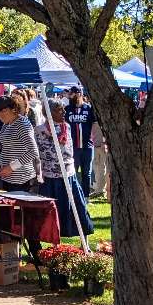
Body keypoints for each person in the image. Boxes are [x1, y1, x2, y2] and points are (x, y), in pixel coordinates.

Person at [36, 101, 93, 238]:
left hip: (68, 175)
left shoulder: (66, 127)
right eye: (60, 110)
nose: (64, 112)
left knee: (78, 208)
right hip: (50, 177)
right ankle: (54, 243)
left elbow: (68, 150)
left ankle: (83, 240)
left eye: (63, 109)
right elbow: (36, 152)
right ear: (49, 112)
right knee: (53, 211)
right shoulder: (39, 130)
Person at [0, 93, 39, 191]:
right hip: (9, 179)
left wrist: (11, 167)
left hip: (22, 181)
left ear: (11, 110)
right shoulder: (7, 125)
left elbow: (33, 152)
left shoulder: (22, 125)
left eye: (0, 113)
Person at [65, 86, 97, 191]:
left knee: (86, 172)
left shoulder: (88, 109)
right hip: (73, 147)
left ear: (79, 94)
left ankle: (86, 196)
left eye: (72, 94)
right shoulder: (68, 109)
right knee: (72, 171)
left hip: (87, 146)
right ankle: (73, 194)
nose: (70, 96)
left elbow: (95, 124)